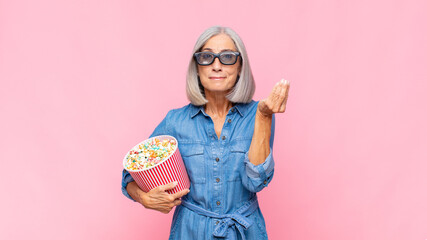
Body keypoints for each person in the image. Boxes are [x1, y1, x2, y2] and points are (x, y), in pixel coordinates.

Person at [121, 25, 290, 240]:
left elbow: (255, 182)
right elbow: (131, 173)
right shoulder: (175, 121)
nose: (216, 66)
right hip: (190, 232)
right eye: (207, 57)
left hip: (245, 233)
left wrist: (265, 116)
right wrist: (144, 198)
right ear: (197, 67)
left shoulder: (259, 114)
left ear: (240, 67)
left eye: (227, 57)